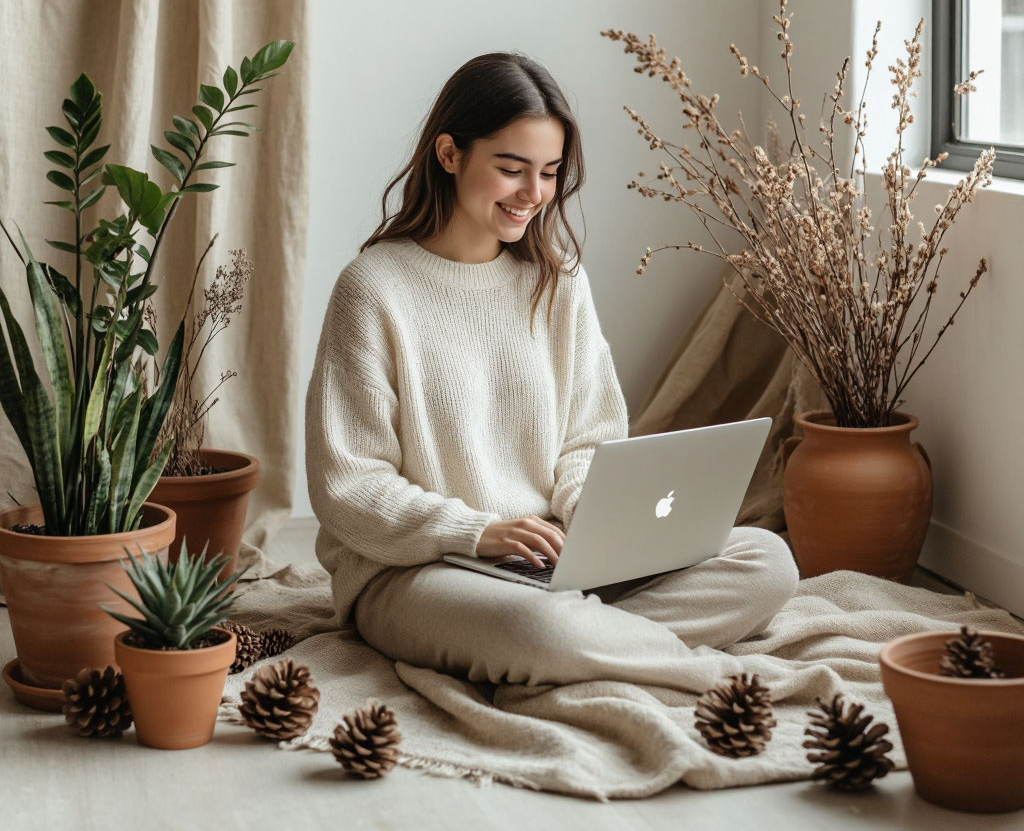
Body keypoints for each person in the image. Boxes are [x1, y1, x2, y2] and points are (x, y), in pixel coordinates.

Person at [305, 52, 798, 688]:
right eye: (510, 169)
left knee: (768, 562)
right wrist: (476, 531)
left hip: (552, 561)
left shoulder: (558, 281)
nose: (533, 195)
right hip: (418, 571)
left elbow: (589, 438)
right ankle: (680, 667)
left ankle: (577, 641)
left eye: (548, 173)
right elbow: (348, 487)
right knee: (537, 628)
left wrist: (598, 525)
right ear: (450, 155)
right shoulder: (373, 289)